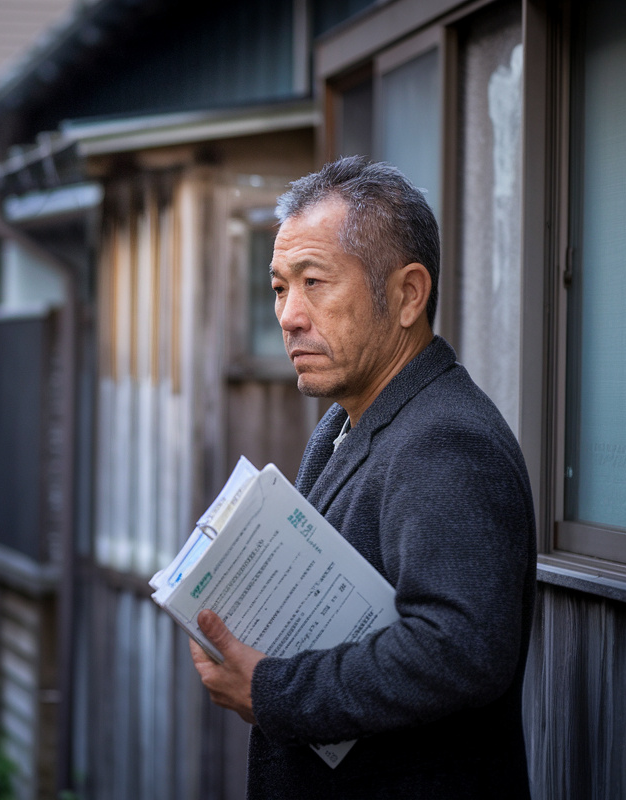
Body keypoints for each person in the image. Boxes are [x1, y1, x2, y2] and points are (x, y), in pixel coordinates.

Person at [190, 157, 537, 798]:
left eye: (315, 282)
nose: (290, 315)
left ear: (408, 295)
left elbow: (459, 648)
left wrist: (271, 689)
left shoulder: (445, 439)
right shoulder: (351, 423)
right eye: (278, 288)